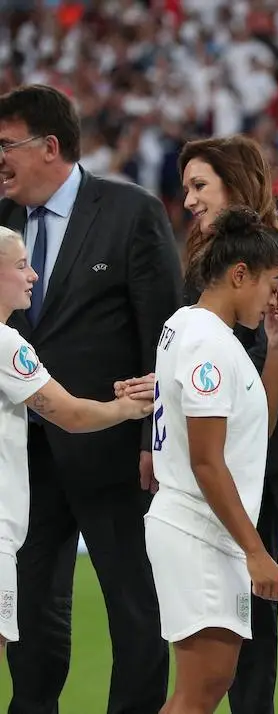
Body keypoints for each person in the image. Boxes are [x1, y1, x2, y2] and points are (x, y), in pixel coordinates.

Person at [124, 134, 278, 714]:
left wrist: (174, 391)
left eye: (200, 185)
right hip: (232, 455)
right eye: (186, 188)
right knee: (244, 610)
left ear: (237, 184)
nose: (189, 200)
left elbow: (247, 361)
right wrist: (164, 411)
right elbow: (203, 369)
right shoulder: (203, 275)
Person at [0, 83, 182, 713]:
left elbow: (163, 334)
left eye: (7, 144)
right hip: (25, 458)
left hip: (117, 455)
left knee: (134, 609)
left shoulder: (131, 211)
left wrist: (154, 441)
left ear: (50, 146)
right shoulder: (0, 224)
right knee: (29, 614)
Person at [143, 206, 278, 714]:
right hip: (199, 531)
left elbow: (258, 430)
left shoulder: (188, 326)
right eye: (273, 283)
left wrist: (276, 347)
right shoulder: (209, 345)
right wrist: (256, 551)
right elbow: (207, 462)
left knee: (202, 690)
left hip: (200, 528)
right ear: (239, 275)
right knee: (200, 692)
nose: (275, 298)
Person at [0, 226, 154, 659]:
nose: (32, 275)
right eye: (21, 265)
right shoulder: (6, 344)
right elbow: (69, 414)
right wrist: (127, 408)